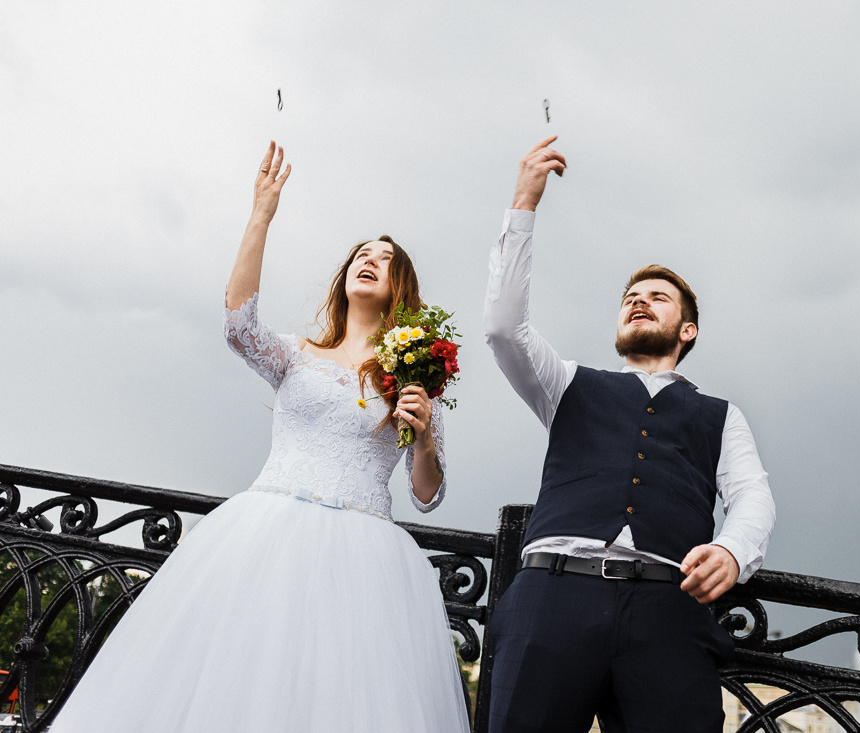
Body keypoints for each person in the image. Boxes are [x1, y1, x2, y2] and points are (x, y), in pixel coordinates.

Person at [48, 142, 471, 733]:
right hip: (266, 537)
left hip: (365, 562)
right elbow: (237, 325)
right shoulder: (298, 357)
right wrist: (261, 215)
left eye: (384, 258)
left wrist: (423, 436)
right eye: (360, 256)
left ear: (402, 285)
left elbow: (427, 495)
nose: (368, 261)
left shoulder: (414, 377)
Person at [484, 136, 776, 733]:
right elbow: (503, 330)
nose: (638, 301)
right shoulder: (565, 383)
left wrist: (732, 551)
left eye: (657, 298)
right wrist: (523, 205)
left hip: (665, 611)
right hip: (551, 598)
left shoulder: (722, 415)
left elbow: (752, 495)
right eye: (629, 298)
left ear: (687, 328)